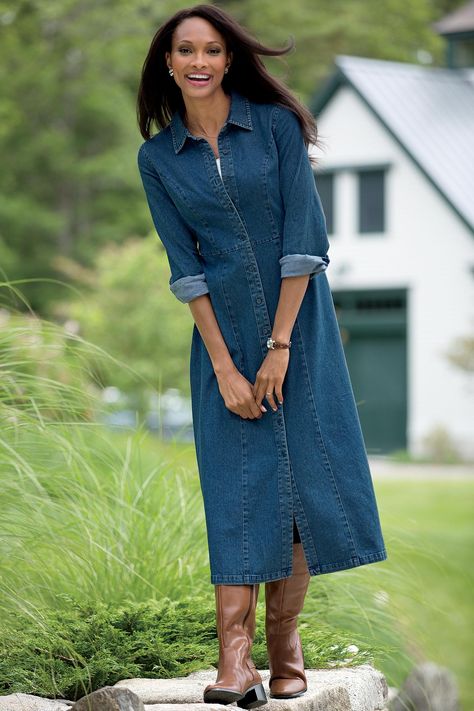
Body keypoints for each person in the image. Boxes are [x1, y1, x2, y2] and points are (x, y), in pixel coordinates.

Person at [136, 4, 387, 707]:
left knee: (304, 477)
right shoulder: (157, 157)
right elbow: (183, 266)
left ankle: (284, 646)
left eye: (211, 49)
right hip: (221, 336)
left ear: (228, 59)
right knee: (236, 484)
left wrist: (279, 346)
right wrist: (223, 365)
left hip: (298, 328)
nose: (198, 61)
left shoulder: (273, 128)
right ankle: (234, 662)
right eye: (185, 49)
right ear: (168, 62)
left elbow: (305, 239)